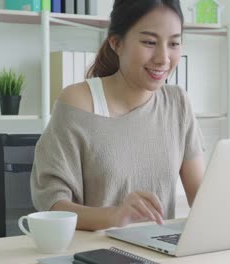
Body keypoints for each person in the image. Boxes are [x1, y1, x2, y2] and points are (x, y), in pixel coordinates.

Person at [31, 0, 205, 231]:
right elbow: (52, 207)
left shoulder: (178, 103)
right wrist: (114, 216)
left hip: (157, 252)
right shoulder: (78, 102)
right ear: (116, 43)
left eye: (174, 43)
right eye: (150, 42)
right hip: (92, 252)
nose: (163, 58)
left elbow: (202, 200)